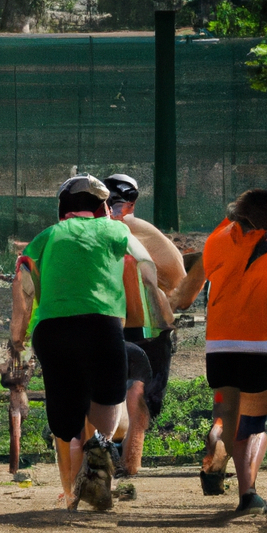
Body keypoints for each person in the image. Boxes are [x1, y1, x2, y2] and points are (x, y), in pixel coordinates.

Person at [10, 175, 132, 510]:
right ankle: (98, 456)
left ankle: (72, 494)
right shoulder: (114, 232)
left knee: (67, 426)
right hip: (103, 329)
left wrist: (16, 340)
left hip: (53, 333)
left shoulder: (46, 238)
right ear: (101, 207)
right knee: (105, 412)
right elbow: (140, 269)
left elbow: (23, 288)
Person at [170, 190, 267, 516]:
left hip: (220, 348)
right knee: (253, 424)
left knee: (225, 412)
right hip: (260, 349)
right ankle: (248, 493)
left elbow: (193, 286)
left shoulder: (215, 242)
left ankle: (215, 439)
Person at [104, 174, 184, 475]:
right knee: (138, 395)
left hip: (114, 322)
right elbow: (178, 278)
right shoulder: (143, 232)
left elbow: (176, 277)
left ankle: (121, 461)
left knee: (119, 392)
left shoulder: (106, 232)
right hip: (144, 325)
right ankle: (128, 466)